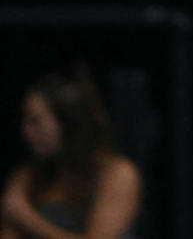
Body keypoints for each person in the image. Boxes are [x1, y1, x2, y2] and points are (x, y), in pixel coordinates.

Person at [1, 67, 142, 239]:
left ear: (67, 122)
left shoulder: (116, 173)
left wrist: (27, 218)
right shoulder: (28, 176)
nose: (26, 132)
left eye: (36, 121)